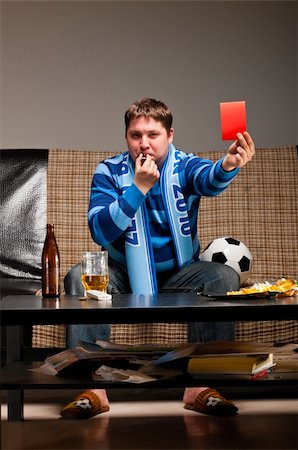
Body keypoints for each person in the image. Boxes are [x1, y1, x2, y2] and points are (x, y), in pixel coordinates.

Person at [61, 97, 255, 419]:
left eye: (153, 135)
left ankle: (202, 386)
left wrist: (228, 165)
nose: (144, 145)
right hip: (122, 271)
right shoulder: (109, 172)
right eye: (136, 135)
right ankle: (92, 389)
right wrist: (137, 188)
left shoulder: (184, 165)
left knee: (223, 276)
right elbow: (100, 230)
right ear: (126, 138)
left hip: (181, 274)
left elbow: (207, 179)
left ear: (170, 135)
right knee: (78, 275)